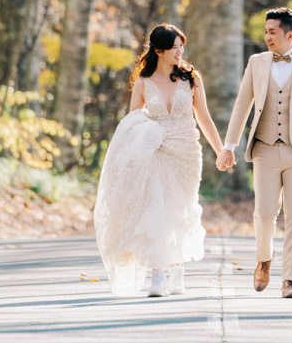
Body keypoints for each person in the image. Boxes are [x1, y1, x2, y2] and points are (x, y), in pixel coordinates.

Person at [94, 24, 233, 297]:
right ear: (159, 50)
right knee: (156, 209)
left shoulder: (191, 79)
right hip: (155, 151)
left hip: (186, 152)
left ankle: (177, 268)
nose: (180, 52)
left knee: (179, 209)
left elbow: (203, 118)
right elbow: (133, 122)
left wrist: (221, 150)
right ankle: (158, 274)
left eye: (182, 46)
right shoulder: (144, 84)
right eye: (175, 48)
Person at [221, 7, 292, 298]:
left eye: (272, 32)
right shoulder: (256, 62)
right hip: (265, 149)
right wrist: (228, 146)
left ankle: (290, 280)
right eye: (266, 31)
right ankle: (264, 259)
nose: (267, 37)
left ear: (289, 34)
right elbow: (242, 105)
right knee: (265, 213)